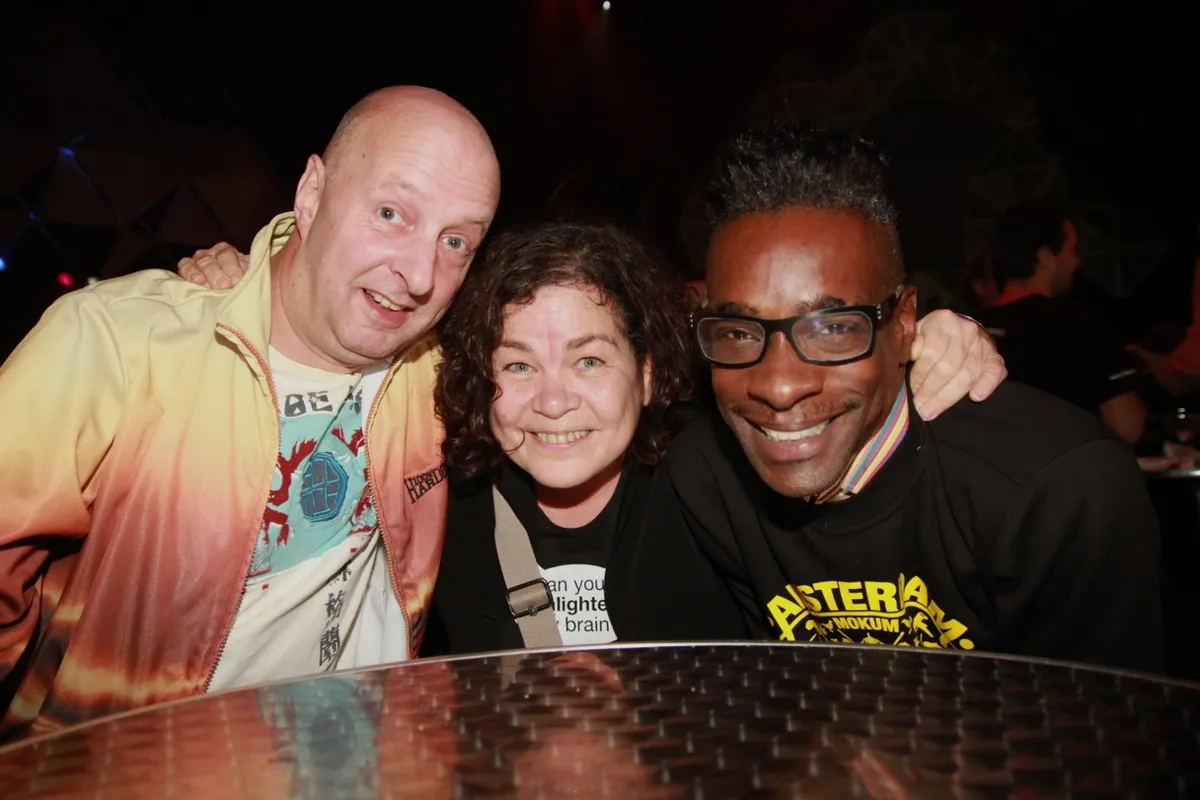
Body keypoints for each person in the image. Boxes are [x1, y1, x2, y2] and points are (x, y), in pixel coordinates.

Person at [183, 219, 1006, 656]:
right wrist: (256, 281)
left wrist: (931, 338)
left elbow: (841, 441)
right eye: (517, 364)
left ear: (647, 374)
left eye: (588, 359)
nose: (552, 401)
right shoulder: (441, 499)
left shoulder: (720, 479)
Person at [0, 85, 501, 741]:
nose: (419, 274)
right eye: (390, 213)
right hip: (130, 768)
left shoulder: (438, 378)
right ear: (311, 193)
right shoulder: (115, 347)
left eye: (456, 241)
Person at [612, 120, 1163, 672]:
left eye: (832, 328)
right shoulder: (704, 480)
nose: (778, 386)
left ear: (904, 324)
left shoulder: (1054, 490)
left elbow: (1092, 721)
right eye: (737, 332)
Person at [977, 201, 1146, 445]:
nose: (1076, 262)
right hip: (1072, 465)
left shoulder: (972, 331)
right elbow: (1128, 426)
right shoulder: (1082, 324)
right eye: (1072, 250)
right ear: (1045, 256)